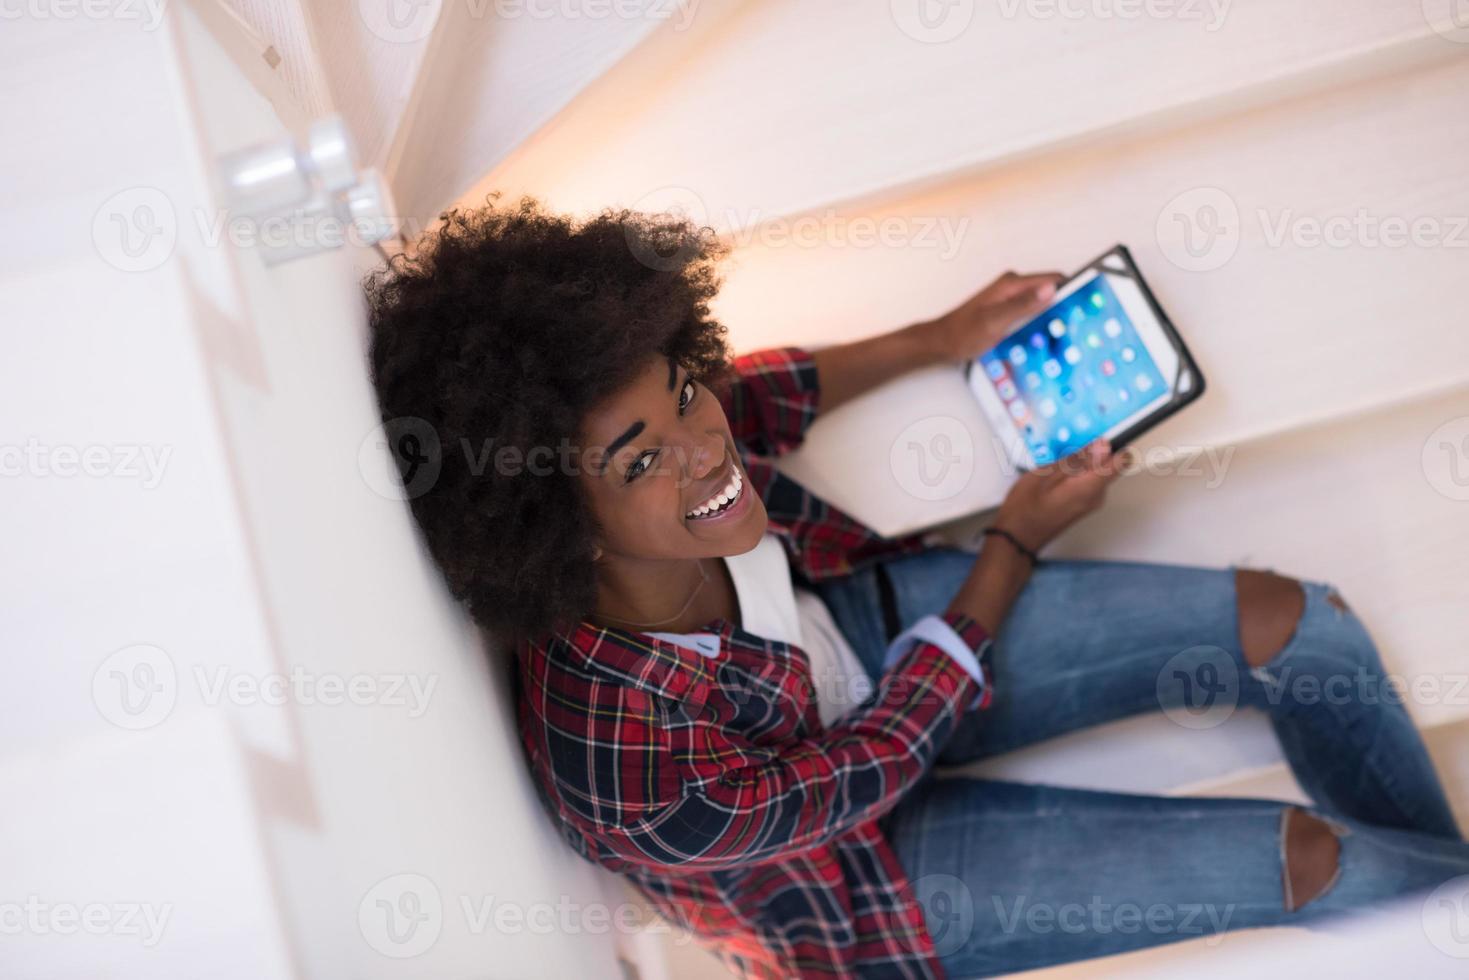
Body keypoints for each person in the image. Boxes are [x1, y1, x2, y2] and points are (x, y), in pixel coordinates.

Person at [364, 197, 1469, 979]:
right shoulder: (623, 761)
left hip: (857, 641)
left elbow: (760, 389)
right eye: (639, 458)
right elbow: (868, 766)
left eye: (682, 392)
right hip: (858, 879)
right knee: (1310, 859)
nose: (703, 451)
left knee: (1296, 621)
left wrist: (940, 334)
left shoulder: (688, 433)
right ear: (552, 520)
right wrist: (1011, 543)